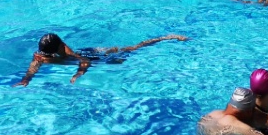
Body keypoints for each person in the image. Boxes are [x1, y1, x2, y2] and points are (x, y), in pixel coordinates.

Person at [16, 32, 187, 86]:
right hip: (89, 52)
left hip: (94, 56)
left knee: (133, 49)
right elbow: (35, 64)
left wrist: (79, 74)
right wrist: (26, 79)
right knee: (125, 51)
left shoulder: (66, 52)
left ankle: (166, 37)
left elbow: (85, 61)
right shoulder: (44, 54)